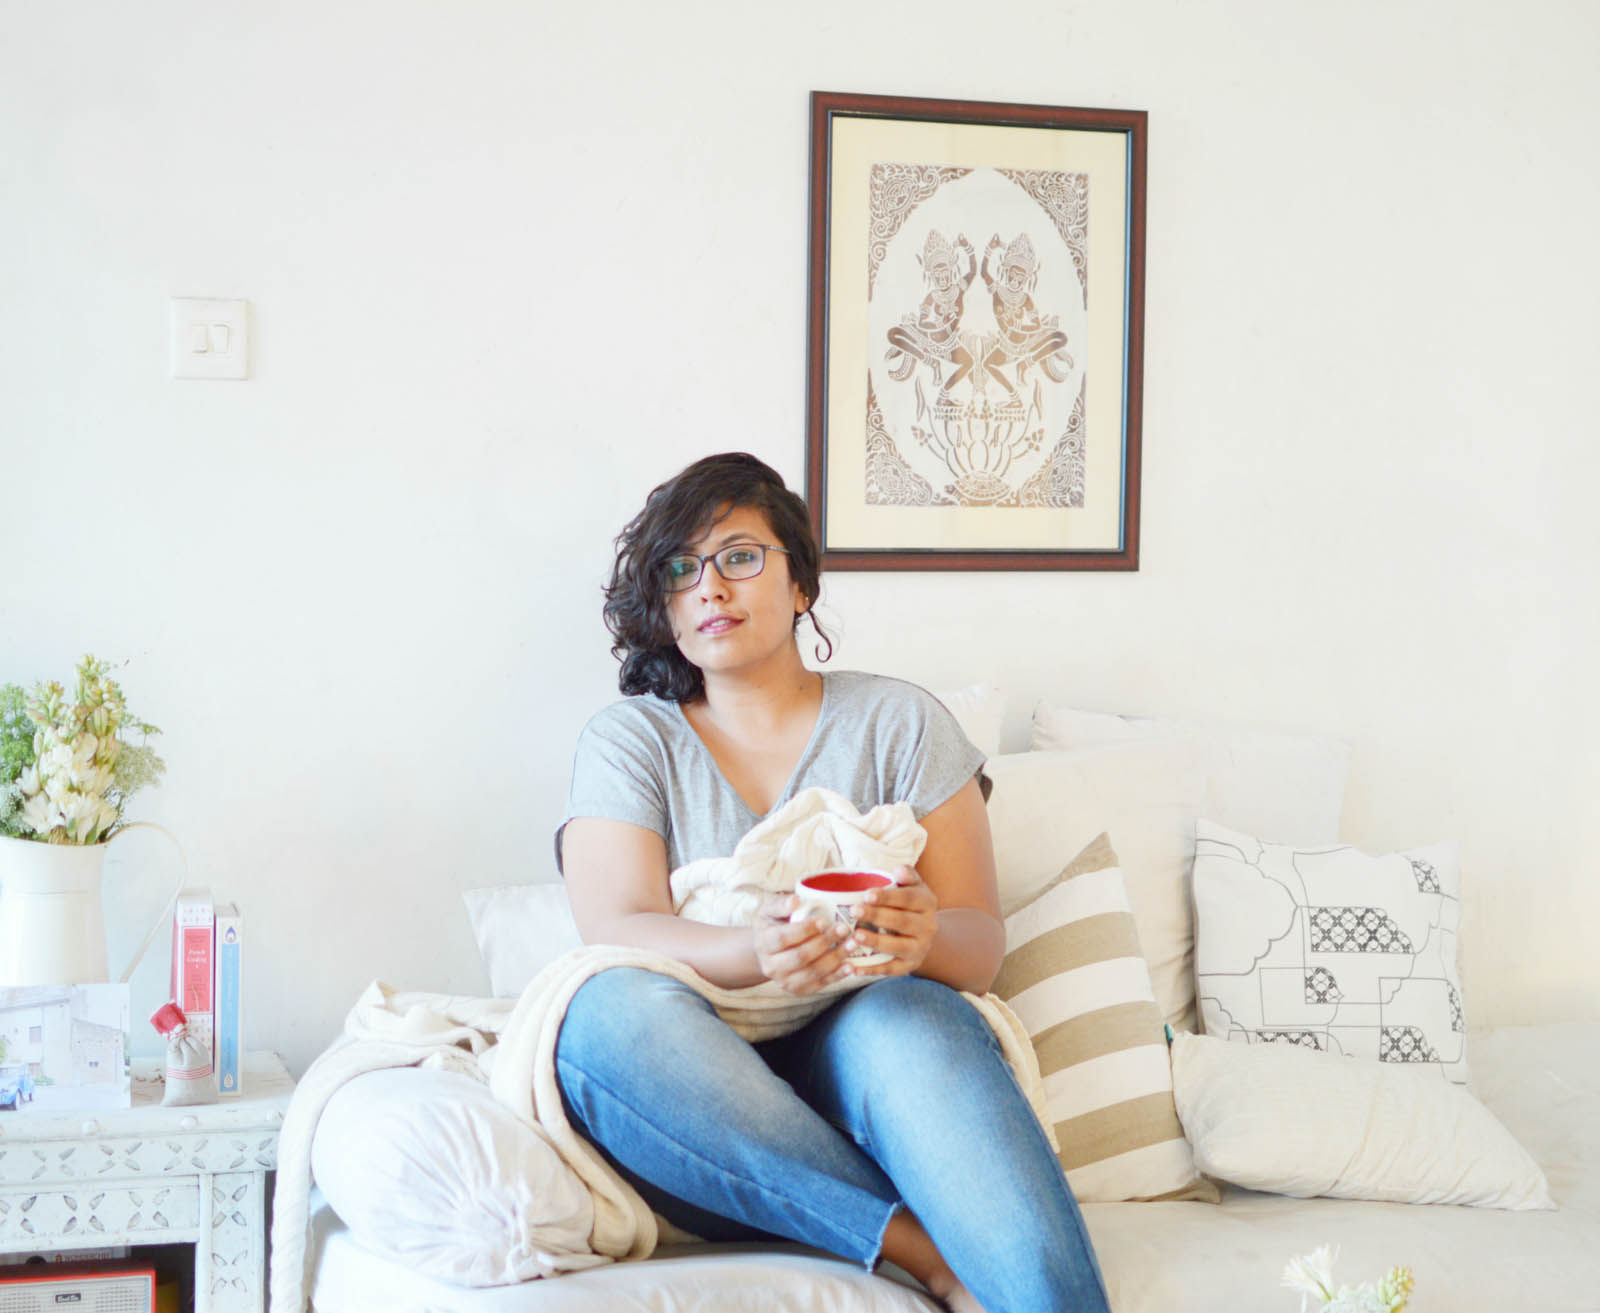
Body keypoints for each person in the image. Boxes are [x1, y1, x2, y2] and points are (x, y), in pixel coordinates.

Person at [553, 452, 1111, 1313]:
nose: (711, 587)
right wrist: (757, 949)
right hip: (695, 1091)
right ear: (663, 605)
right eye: (681, 569)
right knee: (603, 1019)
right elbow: (620, 926)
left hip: (865, 1036)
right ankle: (920, 1246)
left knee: (915, 1013)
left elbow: (979, 946)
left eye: (740, 556)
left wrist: (924, 935)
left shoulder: (900, 720)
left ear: (802, 582)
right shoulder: (633, 740)